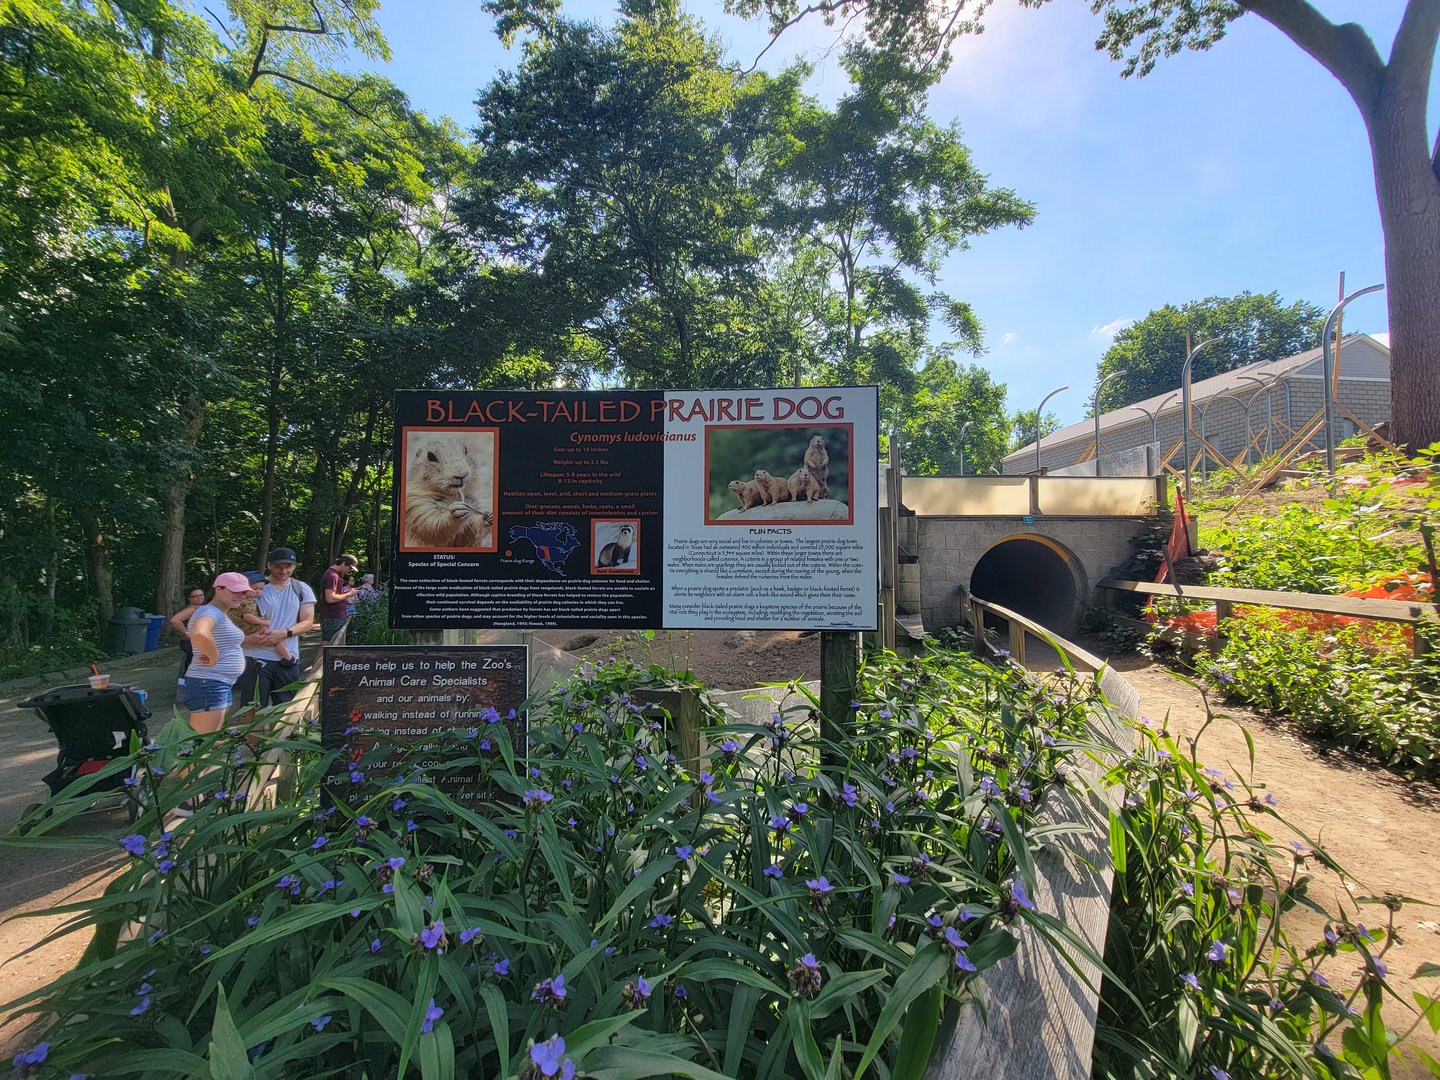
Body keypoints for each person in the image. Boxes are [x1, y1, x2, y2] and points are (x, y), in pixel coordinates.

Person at [233, 547, 316, 708]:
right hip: (255, 657)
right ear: (269, 565)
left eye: (288, 566)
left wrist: (283, 634)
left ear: (294, 566)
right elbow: (237, 616)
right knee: (253, 712)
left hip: (287, 660)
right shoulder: (254, 589)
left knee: (284, 712)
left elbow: (307, 622)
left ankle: (280, 735)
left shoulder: (301, 589)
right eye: (279, 566)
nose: (284, 571)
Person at [182, 573, 253, 734]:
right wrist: (214, 657)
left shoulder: (219, 613)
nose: (241, 596)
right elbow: (199, 632)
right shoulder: (210, 611)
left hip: (216, 683)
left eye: (243, 592)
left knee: (210, 740)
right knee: (203, 743)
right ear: (218, 589)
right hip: (209, 683)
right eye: (235, 591)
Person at [227, 571, 292, 662]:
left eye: (261, 589)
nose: (258, 592)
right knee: (276, 639)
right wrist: (263, 622)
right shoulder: (247, 602)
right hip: (251, 629)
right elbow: (248, 616)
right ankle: (289, 658)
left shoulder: (244, 601)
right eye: (254, 589)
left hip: (245, 631)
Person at [318, 552, 361, 643]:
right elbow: (330, 598)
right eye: (349, 568)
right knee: (329, 647)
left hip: (333, 616)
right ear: (343, 564)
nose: (349, 571)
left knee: (328, 647)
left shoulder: (333, 575)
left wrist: (347, 598)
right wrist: (349, 594)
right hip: (333, 617)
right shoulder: (332, 576)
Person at [169, 585, 206, 674]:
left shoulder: (199, 608)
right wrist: (187, 633)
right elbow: (175, 620)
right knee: (193, 665)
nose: (199, 598)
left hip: (196, 642)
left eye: (201, 595)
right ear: (189, 598)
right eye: (195, 596)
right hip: (190, 642)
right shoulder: (191, 609)